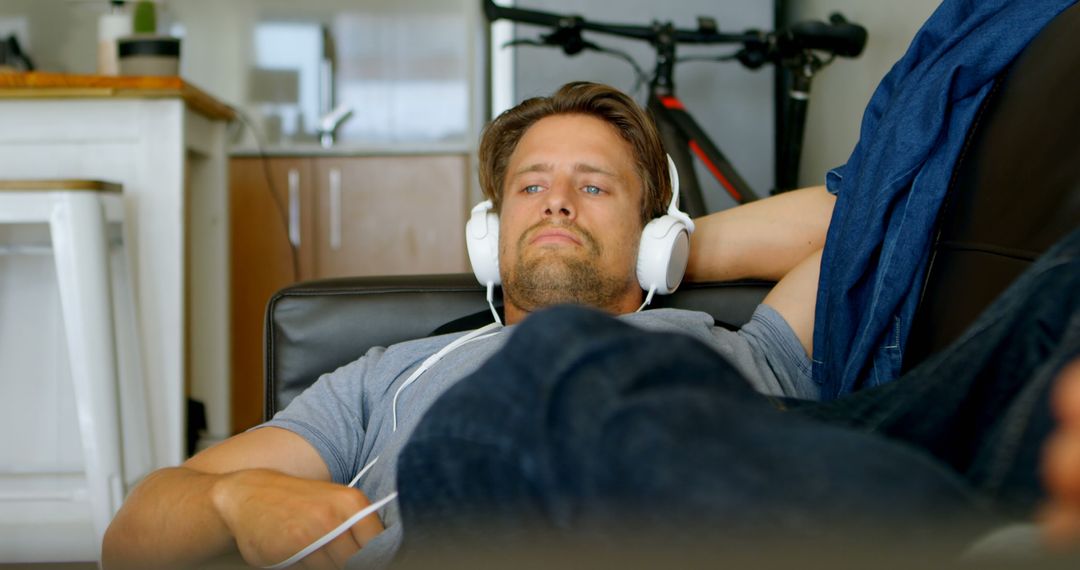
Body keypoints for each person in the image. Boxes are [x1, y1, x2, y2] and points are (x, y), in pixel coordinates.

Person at [102, 82, 834, 569]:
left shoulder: (736, 345)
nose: (556, 203)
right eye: (532, 185)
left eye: (594, 186)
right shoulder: (386, 375)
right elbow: (129, 537)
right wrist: (237, 499)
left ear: (651, 233)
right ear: (489, 230)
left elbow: (861, 223)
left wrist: (672, 250)